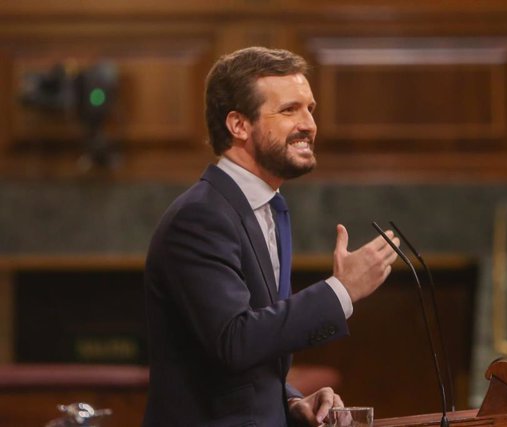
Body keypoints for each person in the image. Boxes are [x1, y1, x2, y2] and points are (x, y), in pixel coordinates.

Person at [142, 46, 400, 427]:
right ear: (238, 125)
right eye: (289, 110)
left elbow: (243, 358)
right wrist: (341, 290)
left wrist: (291, 400)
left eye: (310, 108)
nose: (309, 124)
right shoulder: (200, 217)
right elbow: (234, 340)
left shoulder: (268, 208)